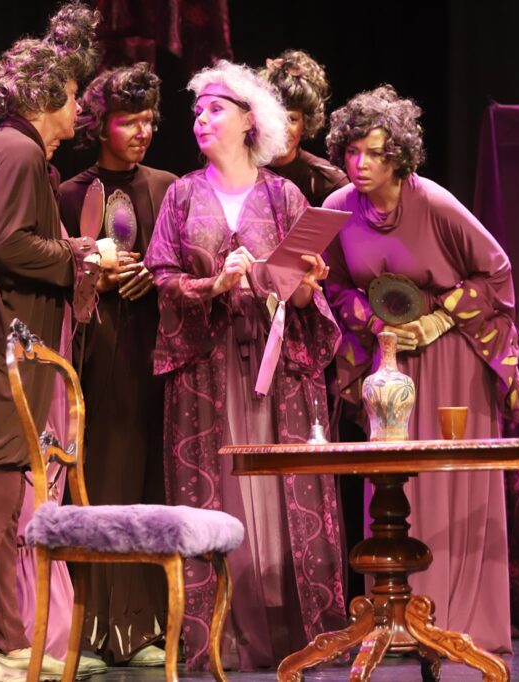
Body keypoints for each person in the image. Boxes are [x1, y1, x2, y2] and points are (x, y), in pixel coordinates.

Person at [0, 4, 118, 681]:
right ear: (42, 99)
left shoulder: (5, 153)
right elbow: (7, 244)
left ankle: (8, 638)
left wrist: (72, 252)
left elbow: (12, 241)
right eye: (71, 97)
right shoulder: (15, 152)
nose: (79, 111)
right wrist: (80, 256)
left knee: (10, 504)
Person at [143, 60, 346, 671]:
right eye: (197, 111)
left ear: (248, 120)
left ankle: (296, 634)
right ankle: (220, 637)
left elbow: (306, 294)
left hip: (275, 368)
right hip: (207, 370)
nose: (201, 119)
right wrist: (212, 285)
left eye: (215, 109)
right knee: (220, 489)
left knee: (279, 492)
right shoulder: (182, 194)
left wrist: (303, 285)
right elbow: (162, 276)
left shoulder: (283, 196)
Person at [322, 85, 519, 655]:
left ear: (399, 156)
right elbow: (334, 285)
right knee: (391, 479)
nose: (361, 164)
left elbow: (496, 272)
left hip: (453, 359)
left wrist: (440, 320)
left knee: (449, 481)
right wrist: (372, 322)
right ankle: (394, 618)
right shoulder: (339, 207)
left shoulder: (434, 202)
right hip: (390, 362)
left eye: (374, 153)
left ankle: (459, 622)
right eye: (352, 152)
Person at [49, 62, 176, 668]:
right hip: (97, 350)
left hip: (155, 347)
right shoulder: (69, 193)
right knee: (99, 476)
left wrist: (157, 273)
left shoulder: (170, 187)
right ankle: (92, 628)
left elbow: (185, 261)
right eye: (129, 121)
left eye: (148, 120)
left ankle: (147, 627)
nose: (142, 132)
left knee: (150, 475)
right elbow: (53, 268)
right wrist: (92, 276)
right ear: (101, 125)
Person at [258, 49, 347, 207]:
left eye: (291, 119)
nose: (282, 129)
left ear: (305, 123)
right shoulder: (240, 172)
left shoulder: (329, 184)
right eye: (275, 117)